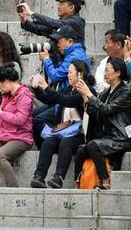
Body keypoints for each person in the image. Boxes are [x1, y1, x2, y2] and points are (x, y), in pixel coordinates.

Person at [30, 60, 95, 189]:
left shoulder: (86, 90)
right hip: (64, 130)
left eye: (71, 73)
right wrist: (36, 87)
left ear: (80, 74)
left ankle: (58, 177)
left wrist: (47, 87)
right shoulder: (68, 89)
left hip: (81, 134)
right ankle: (39, 176)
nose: (68, 75)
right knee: (48, 141)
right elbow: (50, 99)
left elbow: (68, 101)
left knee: (66, 142)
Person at [75, 58, 131, 189]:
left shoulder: (126, 92)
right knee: (81, 150)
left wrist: (90, 95)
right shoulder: (105, 93)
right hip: (106, 137)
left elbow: (108, 109)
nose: (105, 74)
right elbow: (95, 112)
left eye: (107, 70)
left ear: (118, 72)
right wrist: (85, 97)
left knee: (93, 145)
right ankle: (78, 183)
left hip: (121, 137)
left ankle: (105, 180)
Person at [33, 26, 90, 149]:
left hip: (67, 103)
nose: (57, 44)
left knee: (38, 120)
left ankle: (48, 145)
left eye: (60, 41)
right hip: (59, 99)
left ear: (70, 41)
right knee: (33, 115)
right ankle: (48, 144)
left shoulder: (75, 55)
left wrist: (47, 59)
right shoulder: (67, 54)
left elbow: (55, 76)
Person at [18, 0, 86, 45]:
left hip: (73, 61)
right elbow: (40, 29)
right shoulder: (61, 22)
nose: (58, 6)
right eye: (58, 4)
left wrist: (31, 13)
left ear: (71, 8)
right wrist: (24, 21)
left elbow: (54, 23)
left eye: (61, 4)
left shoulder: (78, 22)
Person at [95, 29, 131, 94]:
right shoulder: (104, 62)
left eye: (107, 42)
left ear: (118, 44)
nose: (105, 47)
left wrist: (130, 58)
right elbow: (98, 85)